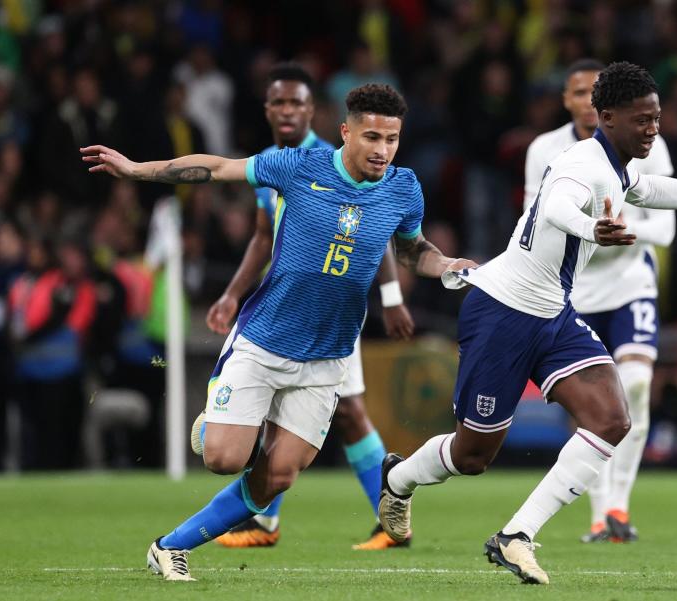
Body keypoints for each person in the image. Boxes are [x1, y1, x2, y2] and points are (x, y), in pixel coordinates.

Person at [377, 62, 677, 585]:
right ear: (608, 117)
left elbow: (652, 190)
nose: (653, 130)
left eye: (657, 119)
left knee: (613, 418)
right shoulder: (578, 165)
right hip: (502, 312)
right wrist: (591, 225)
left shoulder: (615, 163)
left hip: (552, 314)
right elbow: (556, 208)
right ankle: (398, 477)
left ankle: (516, 536)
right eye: (642, 121)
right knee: (473, 453)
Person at [81, 83, 474, 582]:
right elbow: (219, 168)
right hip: (265, 340)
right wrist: (139, 170)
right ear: (346, 131)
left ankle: (168, 547)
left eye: (392, 139)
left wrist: (446, 265)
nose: (382, 150)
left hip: (328, 358)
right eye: (372, 137)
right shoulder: (297, 166)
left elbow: (413, 249)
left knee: (280, 475)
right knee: (225, 459)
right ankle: (225, 417)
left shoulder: (403, 187)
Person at [197, 63, 415, 551]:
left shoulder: (340, 157)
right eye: (279, 102)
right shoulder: (271, 162)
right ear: (268, 109)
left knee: (352, 412)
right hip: (282, 310)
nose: (288, 110)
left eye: (297, 102)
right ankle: (269, 520)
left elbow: (375, 231)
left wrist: (392, 295)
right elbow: (262, 236)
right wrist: (233, 293)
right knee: (306, 414)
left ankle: (387, 514)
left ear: (314, 112)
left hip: (331, 314)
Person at [524, 58, 677, 544]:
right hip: (575, 288)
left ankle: (618, 507)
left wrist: (623, 233)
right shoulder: (545, 149)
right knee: (592, 407)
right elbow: (538, 215)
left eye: (595, 91)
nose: (588, 101)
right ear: (570, 101)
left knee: (634, 383)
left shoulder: (646, 139)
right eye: (577, 92)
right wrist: (591, 230)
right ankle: (598, 515)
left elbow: (667, 229)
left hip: (631, 281)